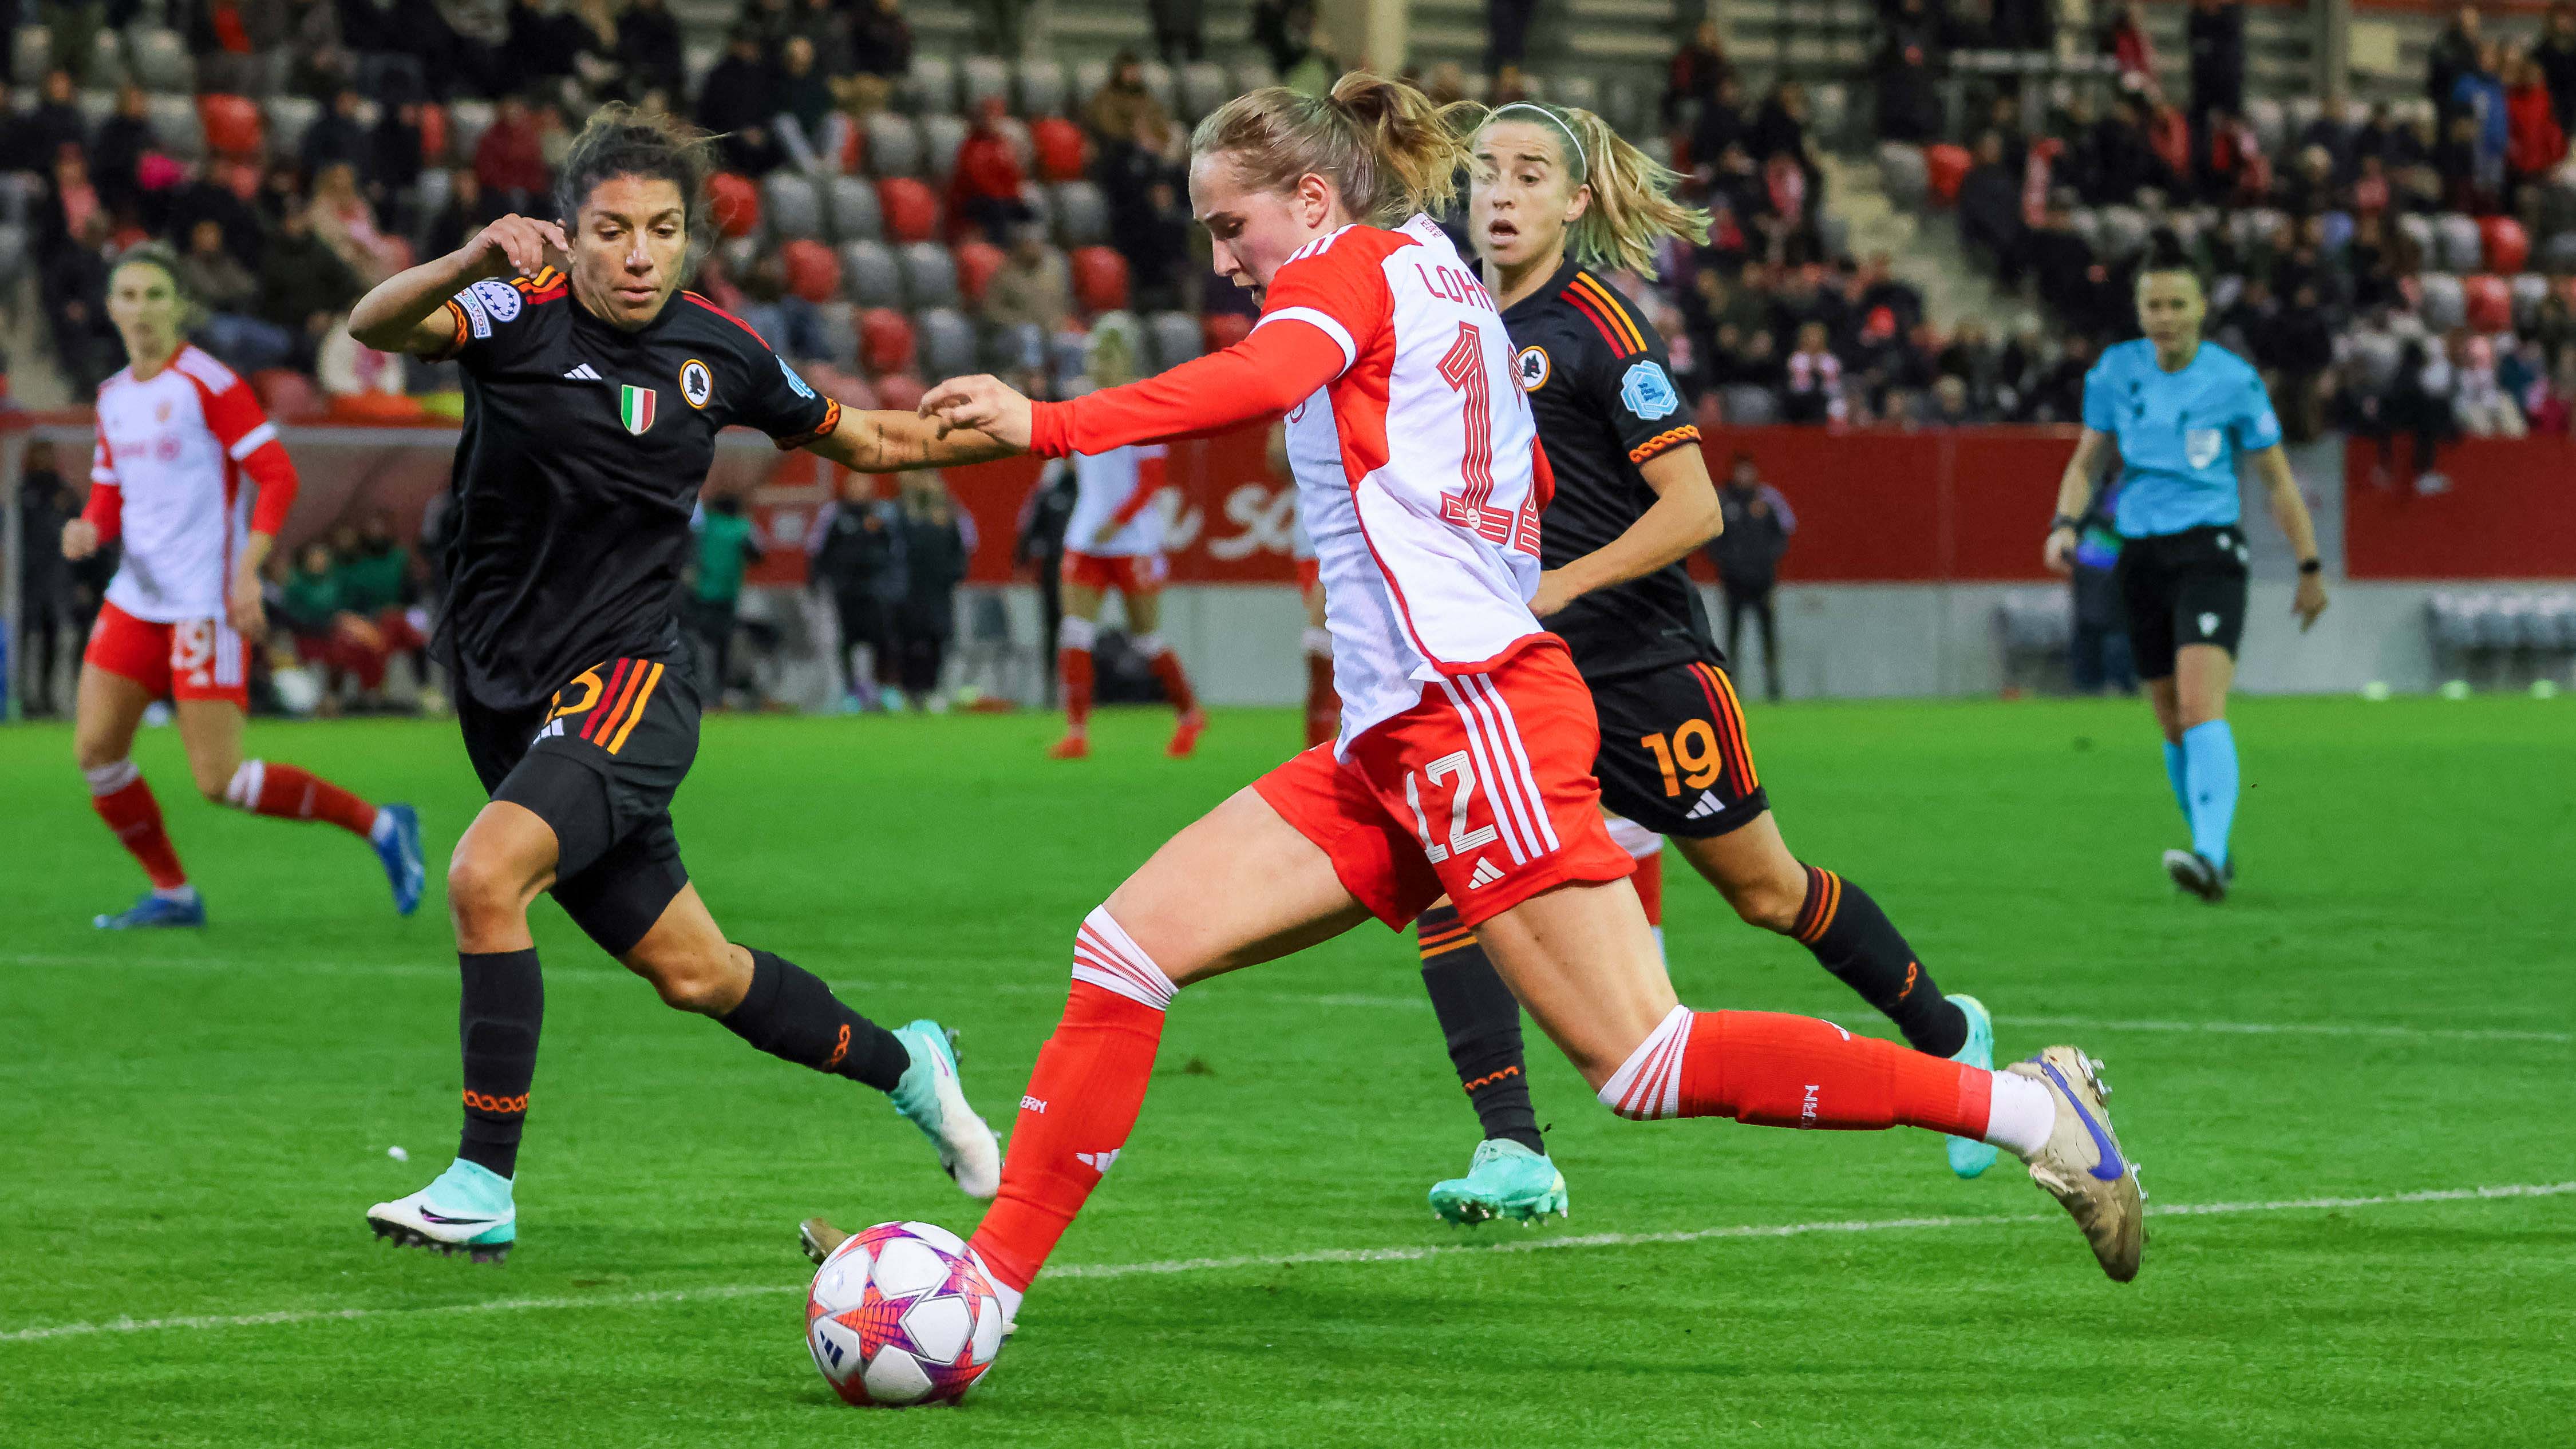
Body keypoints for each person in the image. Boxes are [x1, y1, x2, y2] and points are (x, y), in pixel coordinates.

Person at [876, 76, 2145, 1331]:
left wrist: (1046, 423)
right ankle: (983, 1292)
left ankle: (2030, 1111)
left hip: (1468, 708)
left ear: (1312, 197)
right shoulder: (1442, 274)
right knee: (1127, 946)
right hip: (1405, 730)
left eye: (1230, 228)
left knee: (1645, 1059)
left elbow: (1261, 383)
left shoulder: (1344, 270)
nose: (1224, 262)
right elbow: (1520, 465)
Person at [341, 106, 1013, 1262]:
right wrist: (465, 257)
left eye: (661, 230)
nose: (639, 253)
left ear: (689, 238)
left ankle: (480, 1182)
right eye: (611, 230)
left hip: (628, 685)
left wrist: (1053, 428)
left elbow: (876, 443)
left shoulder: (725, 354)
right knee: (700, 975)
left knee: (483, 875)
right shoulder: (511, 313)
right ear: (568, 232)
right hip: (508, 697)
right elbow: (376, 322)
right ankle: (914, 1069)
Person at [1390, 99, 2002, 1225]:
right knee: (1453, 884)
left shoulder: (1600, 329)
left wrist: (1561, 587)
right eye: (1485, 172)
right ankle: (1514, 1150)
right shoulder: (1446, 317)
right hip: (1519, 682)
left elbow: (1696, 509)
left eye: (1531, 175)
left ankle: (1952, 1037)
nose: (1502, 193)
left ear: (1576, 203)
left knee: (1769, 893)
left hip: (1643, 668)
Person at [60, 244, 426, 929]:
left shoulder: (208, 383)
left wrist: (246, 572)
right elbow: (112, 492)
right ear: (111, 307)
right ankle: (172, 893)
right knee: (96, 754)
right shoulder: (113, 396)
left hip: (203, 602)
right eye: (129, 296)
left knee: (220, 781)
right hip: (136, 603)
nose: (141, 309)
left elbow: (277, 473)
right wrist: (88, 526)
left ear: (180, 307)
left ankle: (381, 825)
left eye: (155, 295)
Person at [2045, 249, 2329, 903]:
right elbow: (2088, 461)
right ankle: (2213, 849)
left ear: (2201, 308)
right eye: (2154, 305)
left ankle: (2206, 853)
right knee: (2172, 721)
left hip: (2210, 553)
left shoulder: (2234, 381)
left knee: (2202, 707)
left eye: (2177, 304)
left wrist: (2310, 566)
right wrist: (2065, 523)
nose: (2165, 318)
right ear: (2139, 311)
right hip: (2140, 556)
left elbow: (2278, 480)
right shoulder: (2116, 372)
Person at [1039, 319, 1203, 759]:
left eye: (1106, 356)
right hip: (1086, 536)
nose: (1097, 364)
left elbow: (1151, 481)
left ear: (1124, 360)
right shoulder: (1080, 402)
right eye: (1093, 356)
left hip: (1132, 540)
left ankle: (1189, 714)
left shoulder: (1145, 405)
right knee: (1075, 632)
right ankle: (1076, 731)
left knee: (1146, 637)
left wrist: (1119, 519)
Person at [811, 471, 905, 710]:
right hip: (845, 592)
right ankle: (850, 692)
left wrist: (892, 585)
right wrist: (817, 583)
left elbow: (895, 553)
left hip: (876, 592)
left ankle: (884, 690)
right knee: (848, 643)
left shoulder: (882, 515)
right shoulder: (834, 516)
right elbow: (819, 552)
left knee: (883, 641)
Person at [1709, 451, 1793, 701]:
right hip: (1733, 583)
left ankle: (1773, 686)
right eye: (1741, 471)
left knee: (1768, 635)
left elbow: (1785, 532)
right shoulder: (1723, 501)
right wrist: (1728, 562)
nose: (1745, 476)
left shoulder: (1768, 500)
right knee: (1732, 636)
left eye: (1749, 471)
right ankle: (1731, 688)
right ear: (1734, 472)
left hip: (1763, 582)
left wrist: (1766, 558)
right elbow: (1710, 538)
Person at [892, 473, 971, 708]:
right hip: (908, 588)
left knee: (937, 637)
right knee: (907, 639)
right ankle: (909, 691)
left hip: (939, 589)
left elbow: (964, 546)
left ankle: (933, 689)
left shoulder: (950, 514)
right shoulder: (898, 513)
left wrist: (955, 573)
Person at [14, 441, 80, 717]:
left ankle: (48, 697)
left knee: (55, 638)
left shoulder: (63, 492)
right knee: (27, 638)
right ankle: (25, 699)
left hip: (56, 580)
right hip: (26, 581)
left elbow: (78, 531)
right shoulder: (23, 492)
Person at [686, 489, 763, 706]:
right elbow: (757, 555)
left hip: (699, 594)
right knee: (721, 648)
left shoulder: (705, 525)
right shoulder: (741, 528)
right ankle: (717, 694)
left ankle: (699, 693)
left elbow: (690, 550)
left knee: (697, 644)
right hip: (726, 597)